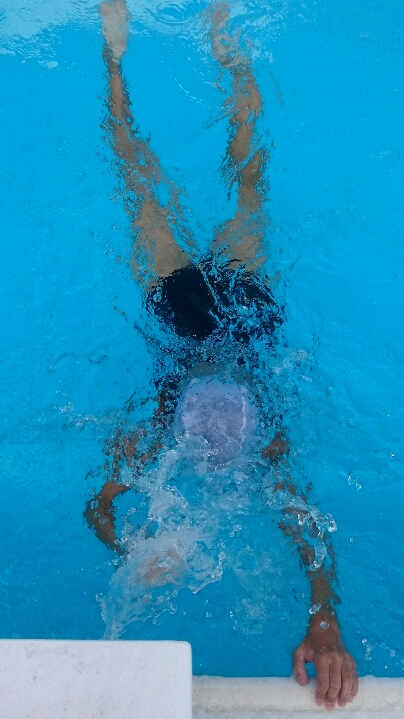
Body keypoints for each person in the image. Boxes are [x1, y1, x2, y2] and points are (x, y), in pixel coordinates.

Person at [85, 0, 358, 709]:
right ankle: (214, 41)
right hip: (244, 310)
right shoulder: (264, 452)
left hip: (192, 313)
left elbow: (100, 506)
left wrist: (135, 553)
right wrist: (323, 614)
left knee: (161, 176)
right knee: (202, 176)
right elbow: (307, 530)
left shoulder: (152, 437)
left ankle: (128, 54)